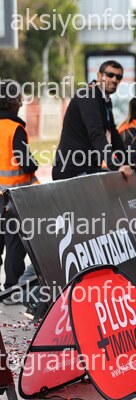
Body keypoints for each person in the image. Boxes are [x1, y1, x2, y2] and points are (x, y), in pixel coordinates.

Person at [52, 60, 136, 180]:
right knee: (113, 182)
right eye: (110, 75)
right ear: (99, 76)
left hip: (87, 166)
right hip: (71, 168)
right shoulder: (88, 95)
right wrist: (116, 166)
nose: (114, 80)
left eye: (118, 77)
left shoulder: (105, 100)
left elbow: (115, 138)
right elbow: (96, 134)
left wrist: (134, 164)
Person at [0, 80, 39, 303]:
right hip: (10, 196)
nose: (22, 104)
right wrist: (34, 164)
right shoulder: (15, 129)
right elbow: (26, 163)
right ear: (11, 101)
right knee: (14, 244)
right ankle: (11, 290)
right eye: (19, 99)